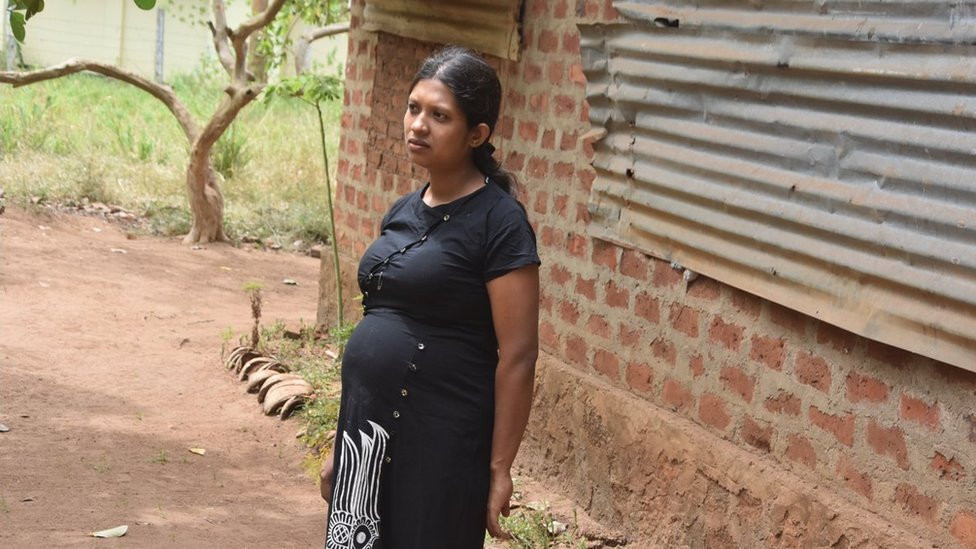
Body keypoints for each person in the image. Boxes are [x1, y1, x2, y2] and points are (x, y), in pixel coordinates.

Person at [320, 45, 541, 549]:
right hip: (366, 436)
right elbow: (377, 332)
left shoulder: (501, 223)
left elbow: (519, 355)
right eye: (413, 108)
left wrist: (499, 468)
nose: (418, 125)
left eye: (439, 116)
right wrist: (343, 441)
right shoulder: (402, 210)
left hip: (440, 440)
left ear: (476, 134)